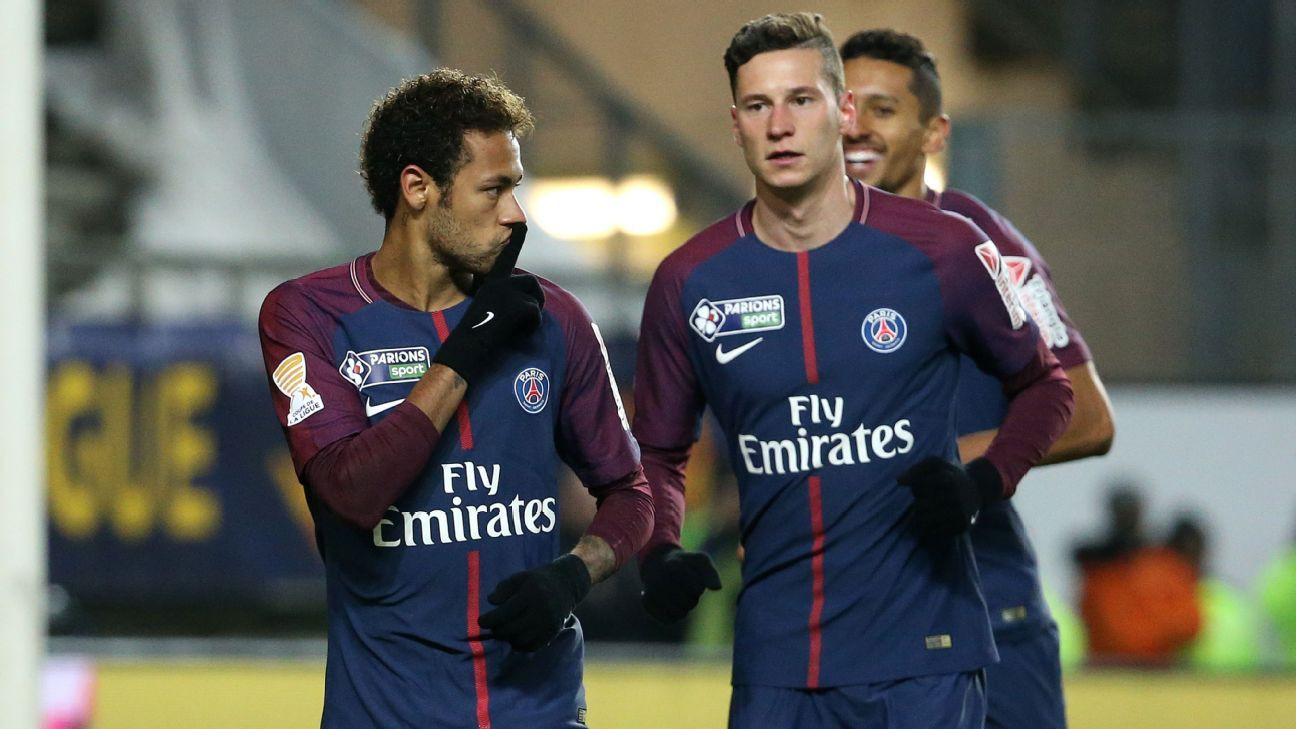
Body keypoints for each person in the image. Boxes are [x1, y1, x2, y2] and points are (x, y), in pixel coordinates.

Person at [633, 13, 1074, 728]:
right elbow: (657, 449)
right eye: (757, 106)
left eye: (800, 100)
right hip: (777, 664)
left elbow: (1047, 386)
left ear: (839, 113)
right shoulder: (690, 280)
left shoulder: (945, 251)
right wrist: (658, 547)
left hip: (926, 656)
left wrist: (982, 481)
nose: (779, 125)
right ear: (736, 125)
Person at [257, 69, 653, 728]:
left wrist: (573, 574)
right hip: (384, 714)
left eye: (515, 189)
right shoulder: (309, 315)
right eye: (493, 190)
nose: (515, 214)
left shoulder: (555, 317)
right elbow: (349, 490)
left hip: (541, 711)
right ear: (417, 189)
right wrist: (470, 347)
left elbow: (633, 492)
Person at [837, 28, 1116, 728]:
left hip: (989, 608)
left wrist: (936, 468)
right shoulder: (791, 253)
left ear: (934, 132)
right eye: (844, 108)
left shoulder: (986, 246)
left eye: (882, 108)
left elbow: (1088, 418)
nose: (856, 128)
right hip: (852, 621)